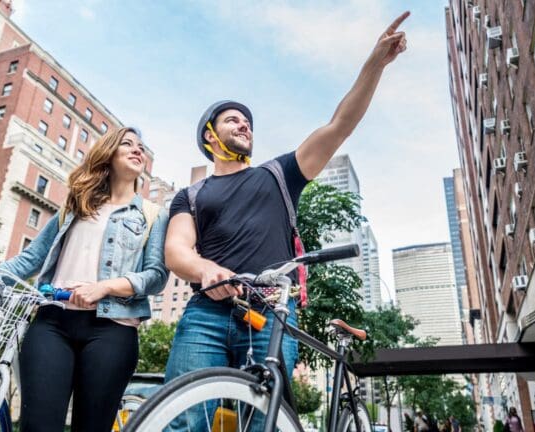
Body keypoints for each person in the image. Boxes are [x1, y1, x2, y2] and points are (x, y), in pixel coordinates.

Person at [162, 10, 410, 431]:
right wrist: (207, 270)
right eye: (232, 119)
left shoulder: (279, 175)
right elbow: (176, 250)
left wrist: (374, 65)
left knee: (263, 421)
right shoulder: (192, 194)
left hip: (271, 312)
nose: (244, 125)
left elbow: (339, 125)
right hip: (205, 313)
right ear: (209, 136)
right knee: (183, 419)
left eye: (248, 122)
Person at [0, 127, 169, 431]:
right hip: (52, 323)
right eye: (127, 144)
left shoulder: (152, 214)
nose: (137, 150)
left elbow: (156, 276)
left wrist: (103, 287)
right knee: (38, 426)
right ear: (108, 153)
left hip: (112, 331)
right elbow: (31, 258)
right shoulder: (76, 205)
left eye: (141, 147)